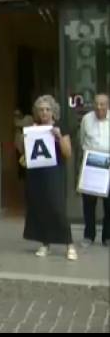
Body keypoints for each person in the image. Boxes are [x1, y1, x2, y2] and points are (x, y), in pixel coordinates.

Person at [17, 95, 77, 260]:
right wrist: (22, 139)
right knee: (40, 207)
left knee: (57, 207)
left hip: (55, 171)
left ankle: (69, 244)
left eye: (47, 109)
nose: (44, 112)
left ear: (53, 111)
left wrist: (58, 137)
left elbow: (68, 153)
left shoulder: (60, 127)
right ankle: (45, 243)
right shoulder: (33, 127)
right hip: (36, 173)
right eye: (41, 109)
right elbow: (24, 152)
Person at [79, 93, 110, 248]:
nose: (99, 107)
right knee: (89, 204)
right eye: (97, 104)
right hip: (91, 165)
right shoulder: (86, 119)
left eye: (102, 104)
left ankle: (107, 237)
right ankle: (89, 235)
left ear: (108, 105)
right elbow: (81, 140)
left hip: (109, 165)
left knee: (109, 204)